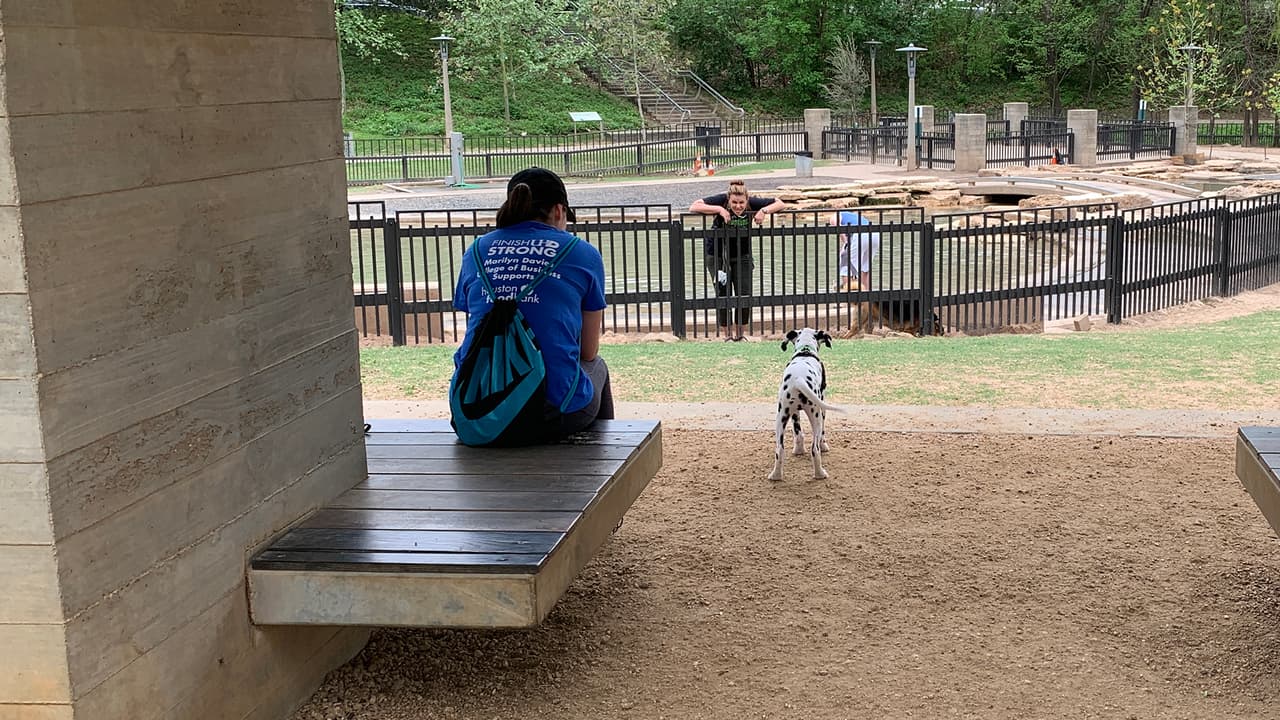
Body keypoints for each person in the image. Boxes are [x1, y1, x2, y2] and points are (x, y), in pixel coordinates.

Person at [452, 167, 613, 438]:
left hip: (476, 416)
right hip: (552, 416)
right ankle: (605, 462)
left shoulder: (476, 251)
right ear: (559, 211)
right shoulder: (580, 252)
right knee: (597, 366)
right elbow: (587, 350)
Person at [689, 180, 786, 341]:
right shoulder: (721, 200)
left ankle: (741, 334)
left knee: (744, 294)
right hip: (718, 254)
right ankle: (727, 335)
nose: (738, 206)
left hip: (742, 254)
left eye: (741, 202)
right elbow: (694, 206)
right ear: (729, 200)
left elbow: (780, 203)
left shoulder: (753, 202)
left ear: (747, 200)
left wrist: (763, 211)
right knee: (722, 292)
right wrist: (719, 209)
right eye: (734, 202)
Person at [830, 210, 881, 292]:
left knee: (846, 266)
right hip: (875, 235)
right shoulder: (855, 216)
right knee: (865, 268)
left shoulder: (835, 215)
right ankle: (866, 296)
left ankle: (849, 298)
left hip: (859, 234)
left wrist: (846, 243)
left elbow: (836, 224)